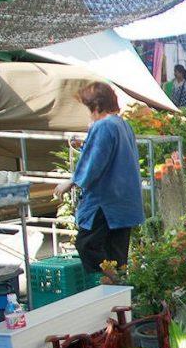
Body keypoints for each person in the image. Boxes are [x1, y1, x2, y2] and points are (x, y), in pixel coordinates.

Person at [53, 83, 144, 276]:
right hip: (124, 200)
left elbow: (94, 162)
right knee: (117, 255)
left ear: (96, 107)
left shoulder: (103, 126)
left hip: (106, 201)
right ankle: (117, 290)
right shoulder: (122, 124)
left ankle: (108, 281)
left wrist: (71, 182)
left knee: (87, 244)